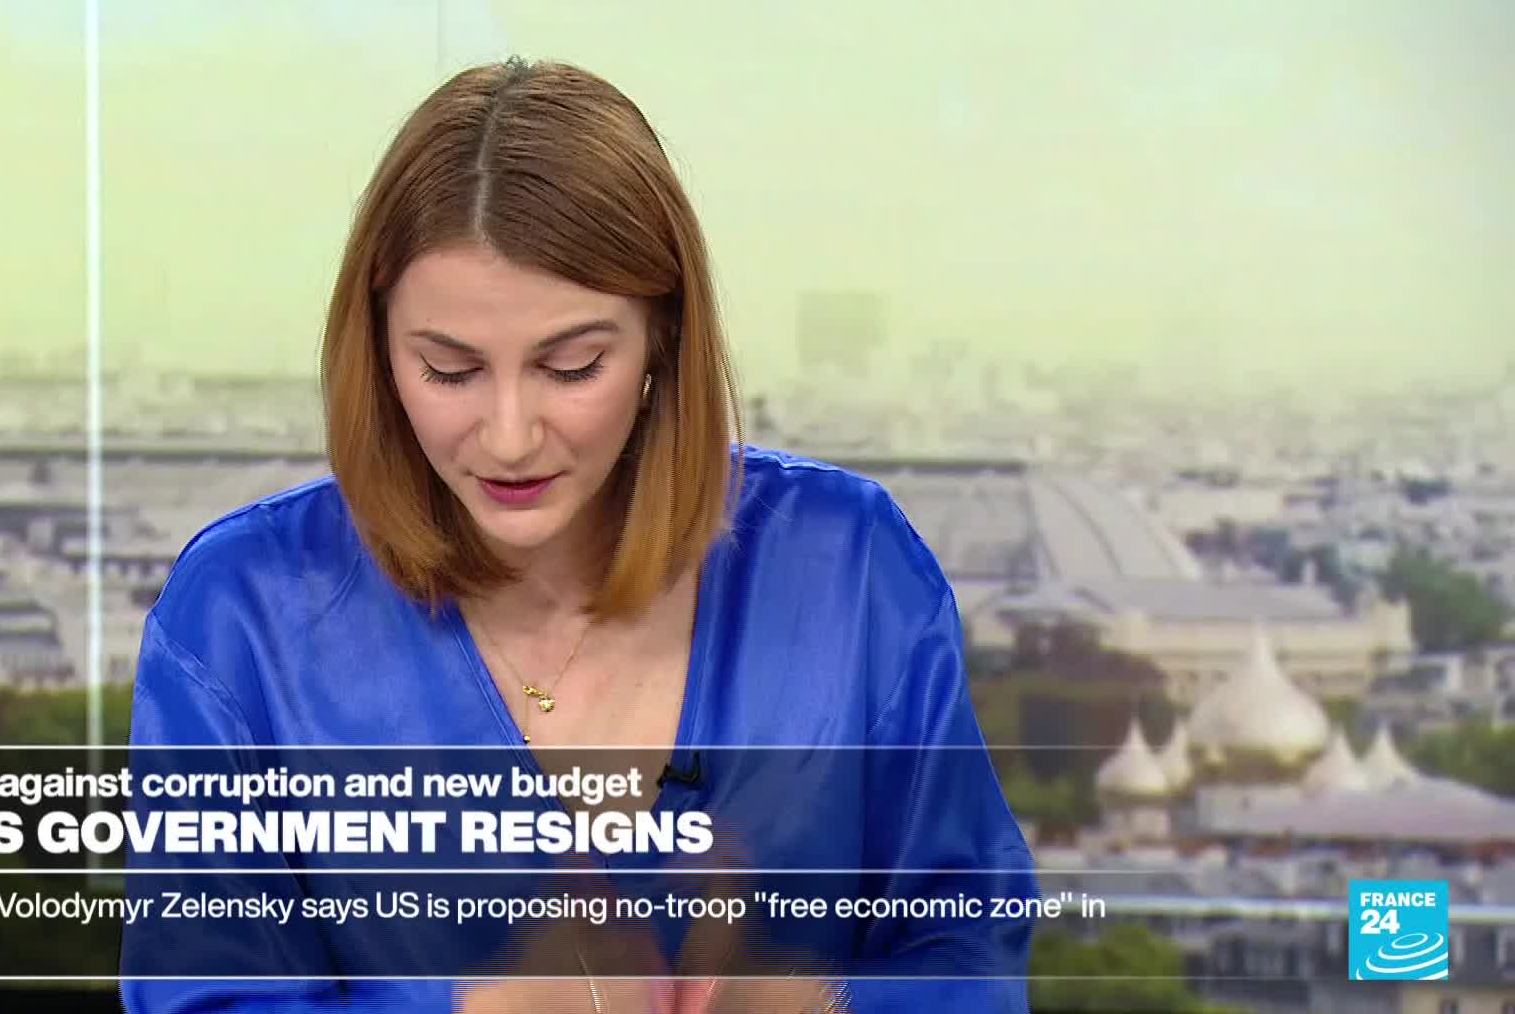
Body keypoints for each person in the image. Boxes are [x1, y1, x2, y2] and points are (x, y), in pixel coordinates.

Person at [119, 57, 1037, 1013]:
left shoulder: (849, 569)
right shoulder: (242, 614)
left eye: (572, 366)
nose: (510, 437)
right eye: (449, 371)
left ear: (663, 338)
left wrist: (819, 1006)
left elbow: (968, 946)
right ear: (378, 347)